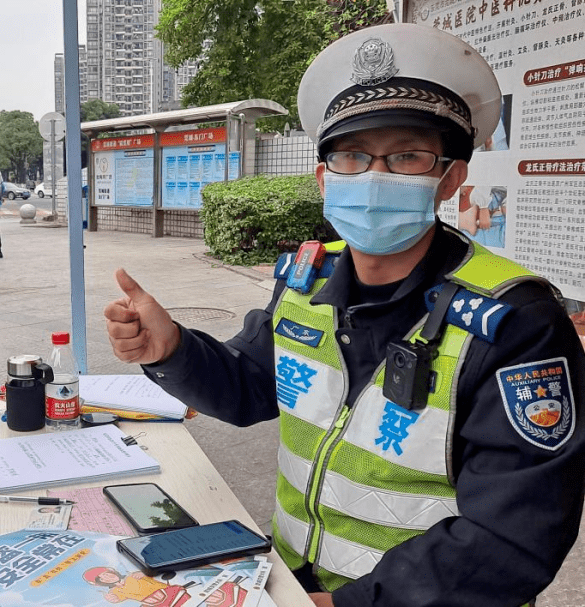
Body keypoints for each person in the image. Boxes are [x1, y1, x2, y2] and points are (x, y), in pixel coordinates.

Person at [103, 23, 585, 607]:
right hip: (288, 583)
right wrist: (172, 349)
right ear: (324, 178)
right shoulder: (306, 280)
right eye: (352, 156)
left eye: (407, 156)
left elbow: (514, 535)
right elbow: (249, 388)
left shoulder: (516, 320)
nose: (374, 176)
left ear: (450, 178)